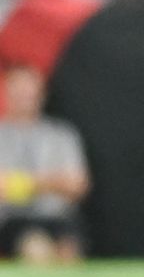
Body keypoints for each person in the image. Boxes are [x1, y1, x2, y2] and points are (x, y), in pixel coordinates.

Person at [0, 63, 90, 264]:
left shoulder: (61, 135)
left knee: (69, 252)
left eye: (30, 93)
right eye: (19, 92)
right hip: (13, 220)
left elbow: (77, 185)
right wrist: (52, 182)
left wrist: (23, 184)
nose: (25, 98)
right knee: (36, 249)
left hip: (57, 218)